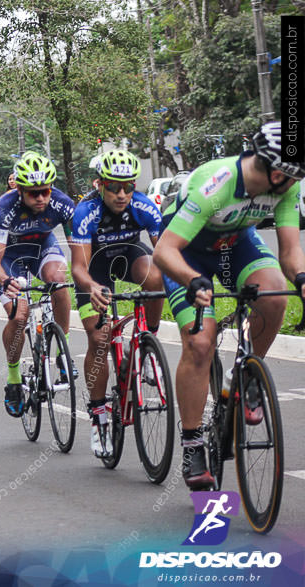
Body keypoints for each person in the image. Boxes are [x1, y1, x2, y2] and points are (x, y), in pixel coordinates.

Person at [153, 121, 305, 489]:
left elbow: (289, 251)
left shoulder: (286, 186)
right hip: (186, 253)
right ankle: (192, 444)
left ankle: (246, 378)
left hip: (235, 245)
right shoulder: (216, 186)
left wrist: (301, 278)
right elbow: (163, 251)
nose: (293, 180)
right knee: (200, 343)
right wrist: (193, 280)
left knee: (276, 293)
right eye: (289, 174)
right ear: (271, 168)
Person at [70, 149, 164, 458]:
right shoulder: (86, 211)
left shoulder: (144, 206)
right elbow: (78, 268)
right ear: (100, 184)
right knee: (99, 338)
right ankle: (99, 416)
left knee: (155, 278)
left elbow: (165, 255)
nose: (122, 194)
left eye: (129, 187)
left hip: (127, 255)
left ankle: (148, 341)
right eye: (114, 187)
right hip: (94, 267)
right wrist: (93, 287)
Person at [0, 153, 76, 417]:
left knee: (59, 281)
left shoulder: (62, 203)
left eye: (45, 191)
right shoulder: (4, 207)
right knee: (20, 314)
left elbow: (78, 248)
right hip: (11, 258)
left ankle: (63, 353)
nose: (40, 198)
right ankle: (13, 379)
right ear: (20, 189)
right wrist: (5, 280)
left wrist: (85, 276)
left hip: (42, 248)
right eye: (34, 193)